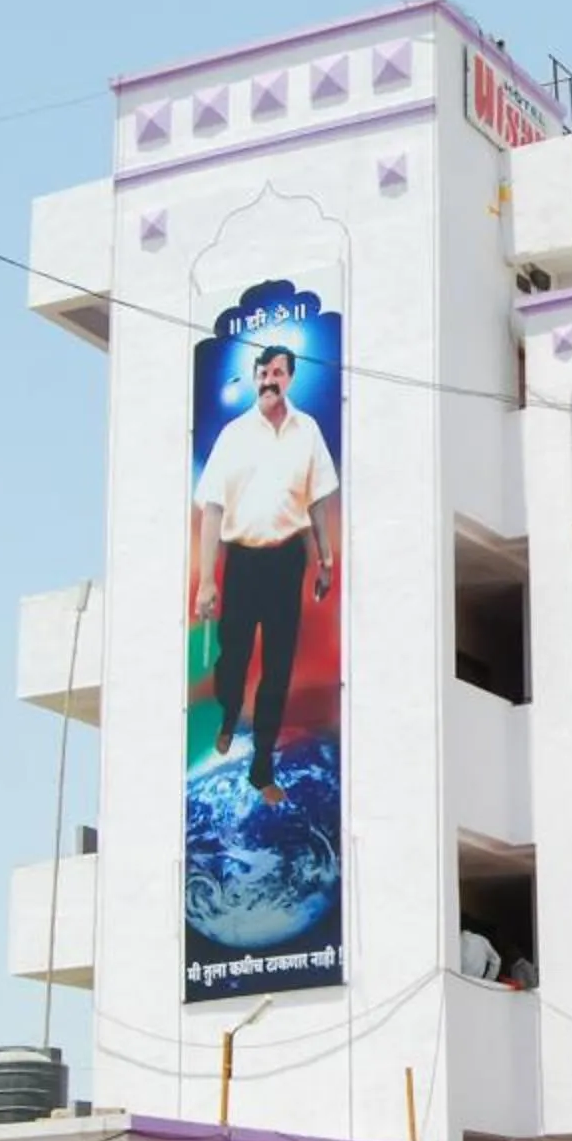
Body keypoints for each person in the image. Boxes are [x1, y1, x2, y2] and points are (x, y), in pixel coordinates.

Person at [192, 344, 340, 803]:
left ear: (289, 378)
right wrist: (206, 580)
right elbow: (212, 510)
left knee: (277, 668)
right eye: (263, 373)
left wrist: (325, 559)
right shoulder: (234, 436)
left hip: (286, 560)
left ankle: (261, 768)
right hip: (242, 560)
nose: (269, 380)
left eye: (278, 372)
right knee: (233, 656)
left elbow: (317, 502)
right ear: (255, 378)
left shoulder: (307, 431)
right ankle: (228, 711)